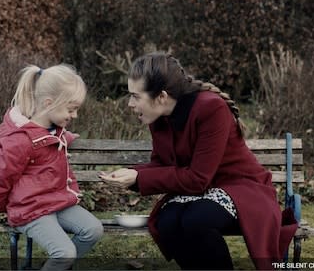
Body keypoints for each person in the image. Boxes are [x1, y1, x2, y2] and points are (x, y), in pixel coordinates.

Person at [99, 53, 298, 270]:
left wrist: (140, 176)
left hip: (241, 187)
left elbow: (197, 179)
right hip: (201, 191)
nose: (130, 103)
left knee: (196, 221)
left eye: (136, 96)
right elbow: (162, 165)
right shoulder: (158, 116)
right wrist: (131, 174)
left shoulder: (211, 108)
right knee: (167, 223)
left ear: (162, 96)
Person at [0, 64, 103, 270]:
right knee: (65, 253)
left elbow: (50, 138)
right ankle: (58, 263)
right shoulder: (20, 140)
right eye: (71, 109)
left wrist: (67, 137)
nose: (74, 115)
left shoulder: (54, 131)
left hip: (56, 202)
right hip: (30, 209)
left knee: (93, 229)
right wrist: (2, 207)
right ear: (49, 103)